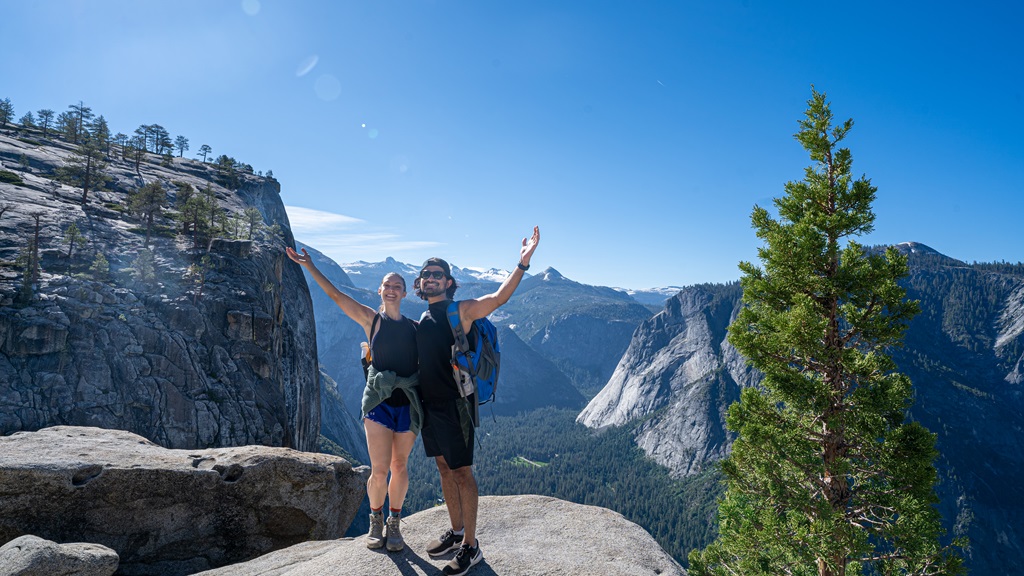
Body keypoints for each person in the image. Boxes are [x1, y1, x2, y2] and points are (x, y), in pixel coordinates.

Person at [414, 226, 540, 576]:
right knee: (442, 466)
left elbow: (499, 298)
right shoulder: (423, 316)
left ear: (448, 282)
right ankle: (456, 534)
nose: (431, 279)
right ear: (420, 282)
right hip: (429, 405)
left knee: (462, 473)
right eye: (426, 275)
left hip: (456, 405)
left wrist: (522, 263)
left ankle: (471, 547)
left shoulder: (462, 311)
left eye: (437, 275)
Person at [286, 246, 421, 553]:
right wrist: (309, 266)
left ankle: (394, 523)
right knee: (380, 469)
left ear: (403, 294)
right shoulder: (372, 321)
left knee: (400, 467)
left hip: (408, 406)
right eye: (387, 285)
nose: (391, 290)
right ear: (380, 290)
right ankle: (376, 521)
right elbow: (335, 296)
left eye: (397, 286)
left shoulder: (415, 329)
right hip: (379, 404)